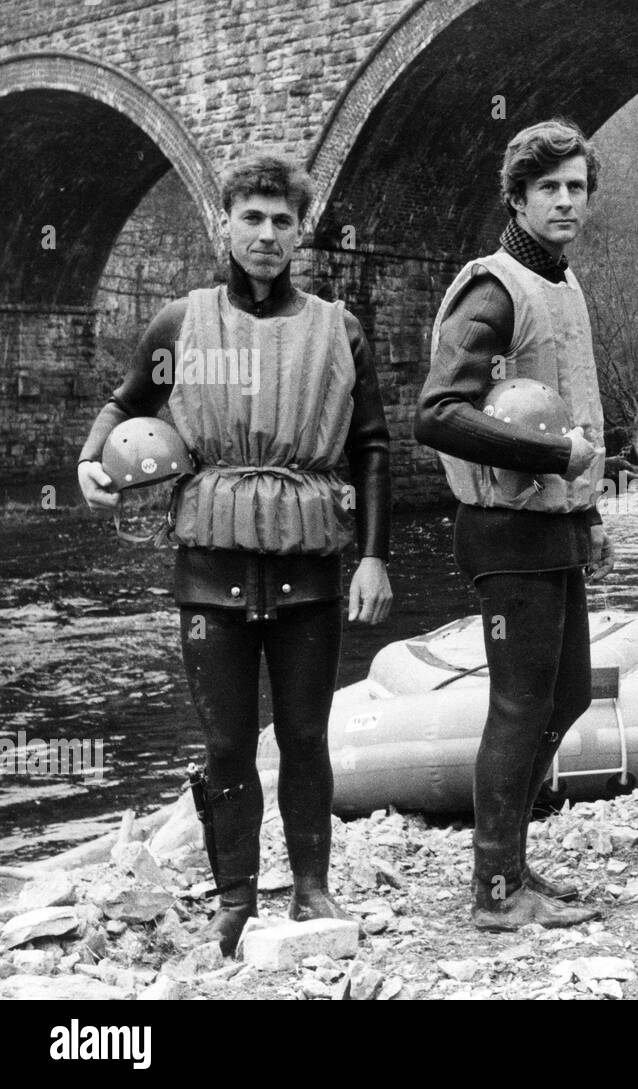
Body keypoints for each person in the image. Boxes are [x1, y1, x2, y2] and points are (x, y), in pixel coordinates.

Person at [78, 154, 393, 955]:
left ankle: (313, 885)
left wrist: (373, 557)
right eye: (251, 218)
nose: (266, 234)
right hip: (211, 570)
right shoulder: (179, 325)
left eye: (282, 220)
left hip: (311, 565)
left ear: (301, 232)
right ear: (224, 223)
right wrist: (92, 459)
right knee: (224, 744)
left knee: (305, 735)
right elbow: (126, 402)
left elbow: (373, 447)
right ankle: (235, 897)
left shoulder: (340, 327)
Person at [414, 120, 611, 931]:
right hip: (504, 528)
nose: (566, 201)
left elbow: (574, 416)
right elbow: (438, 413)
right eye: (549, 189)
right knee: (519, 705)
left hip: (554, 525)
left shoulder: (561, 283)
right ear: (519, 197)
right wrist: (550, 454)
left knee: (562, 701)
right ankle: (495, 891)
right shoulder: (492, 288)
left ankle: (513, 861)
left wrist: (589, 508)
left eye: (577, 188)